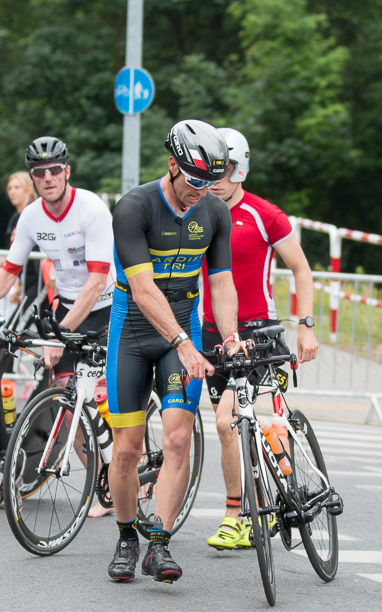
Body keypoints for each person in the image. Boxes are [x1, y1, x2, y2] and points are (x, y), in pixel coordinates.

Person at [105, 119, 246, 584]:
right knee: (126, 449)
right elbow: (143, 290)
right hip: (133, 332)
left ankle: (158, 545)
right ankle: (127, 537)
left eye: (211, 183)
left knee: (178, 439)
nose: (201, 192)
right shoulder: (134, 207)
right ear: (172, 166)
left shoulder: (215, 212)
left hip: (182, 328)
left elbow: (221, 283)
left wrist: (227, 337)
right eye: (194, 181)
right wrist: (184, 342)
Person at [0, 136, 116, 501]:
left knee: (101, 399)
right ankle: (103, 485)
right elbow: (9, 270)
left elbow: (97, 281)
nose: (48, 177)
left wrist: (60, 335)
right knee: (69, 399)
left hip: (106, 306)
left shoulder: (91, 209)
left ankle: (123, 466)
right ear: (33, 177)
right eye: (40, 172)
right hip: (69, 306)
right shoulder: (31, 216)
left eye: (55, 170)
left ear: (67, 171)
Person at [203, 127, 320, 550]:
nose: (217, 176)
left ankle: (277, 497)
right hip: (212, 332)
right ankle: (241, 515)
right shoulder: (197, 211)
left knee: (245, 420)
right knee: (231, 425)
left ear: (242, 168)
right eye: (212, 166)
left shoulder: (265, 214)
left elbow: (301, 269)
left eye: (226, 167)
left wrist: (306, 325)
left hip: (259, 332)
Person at [3, 170, 42, 306]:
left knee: (18, 323)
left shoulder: (36, 213)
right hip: (27, 279)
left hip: (40, 280)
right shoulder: (15, 218)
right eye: (9, 188)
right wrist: (19, 285)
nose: (12, 192)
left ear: (29, 189)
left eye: (17, 187)